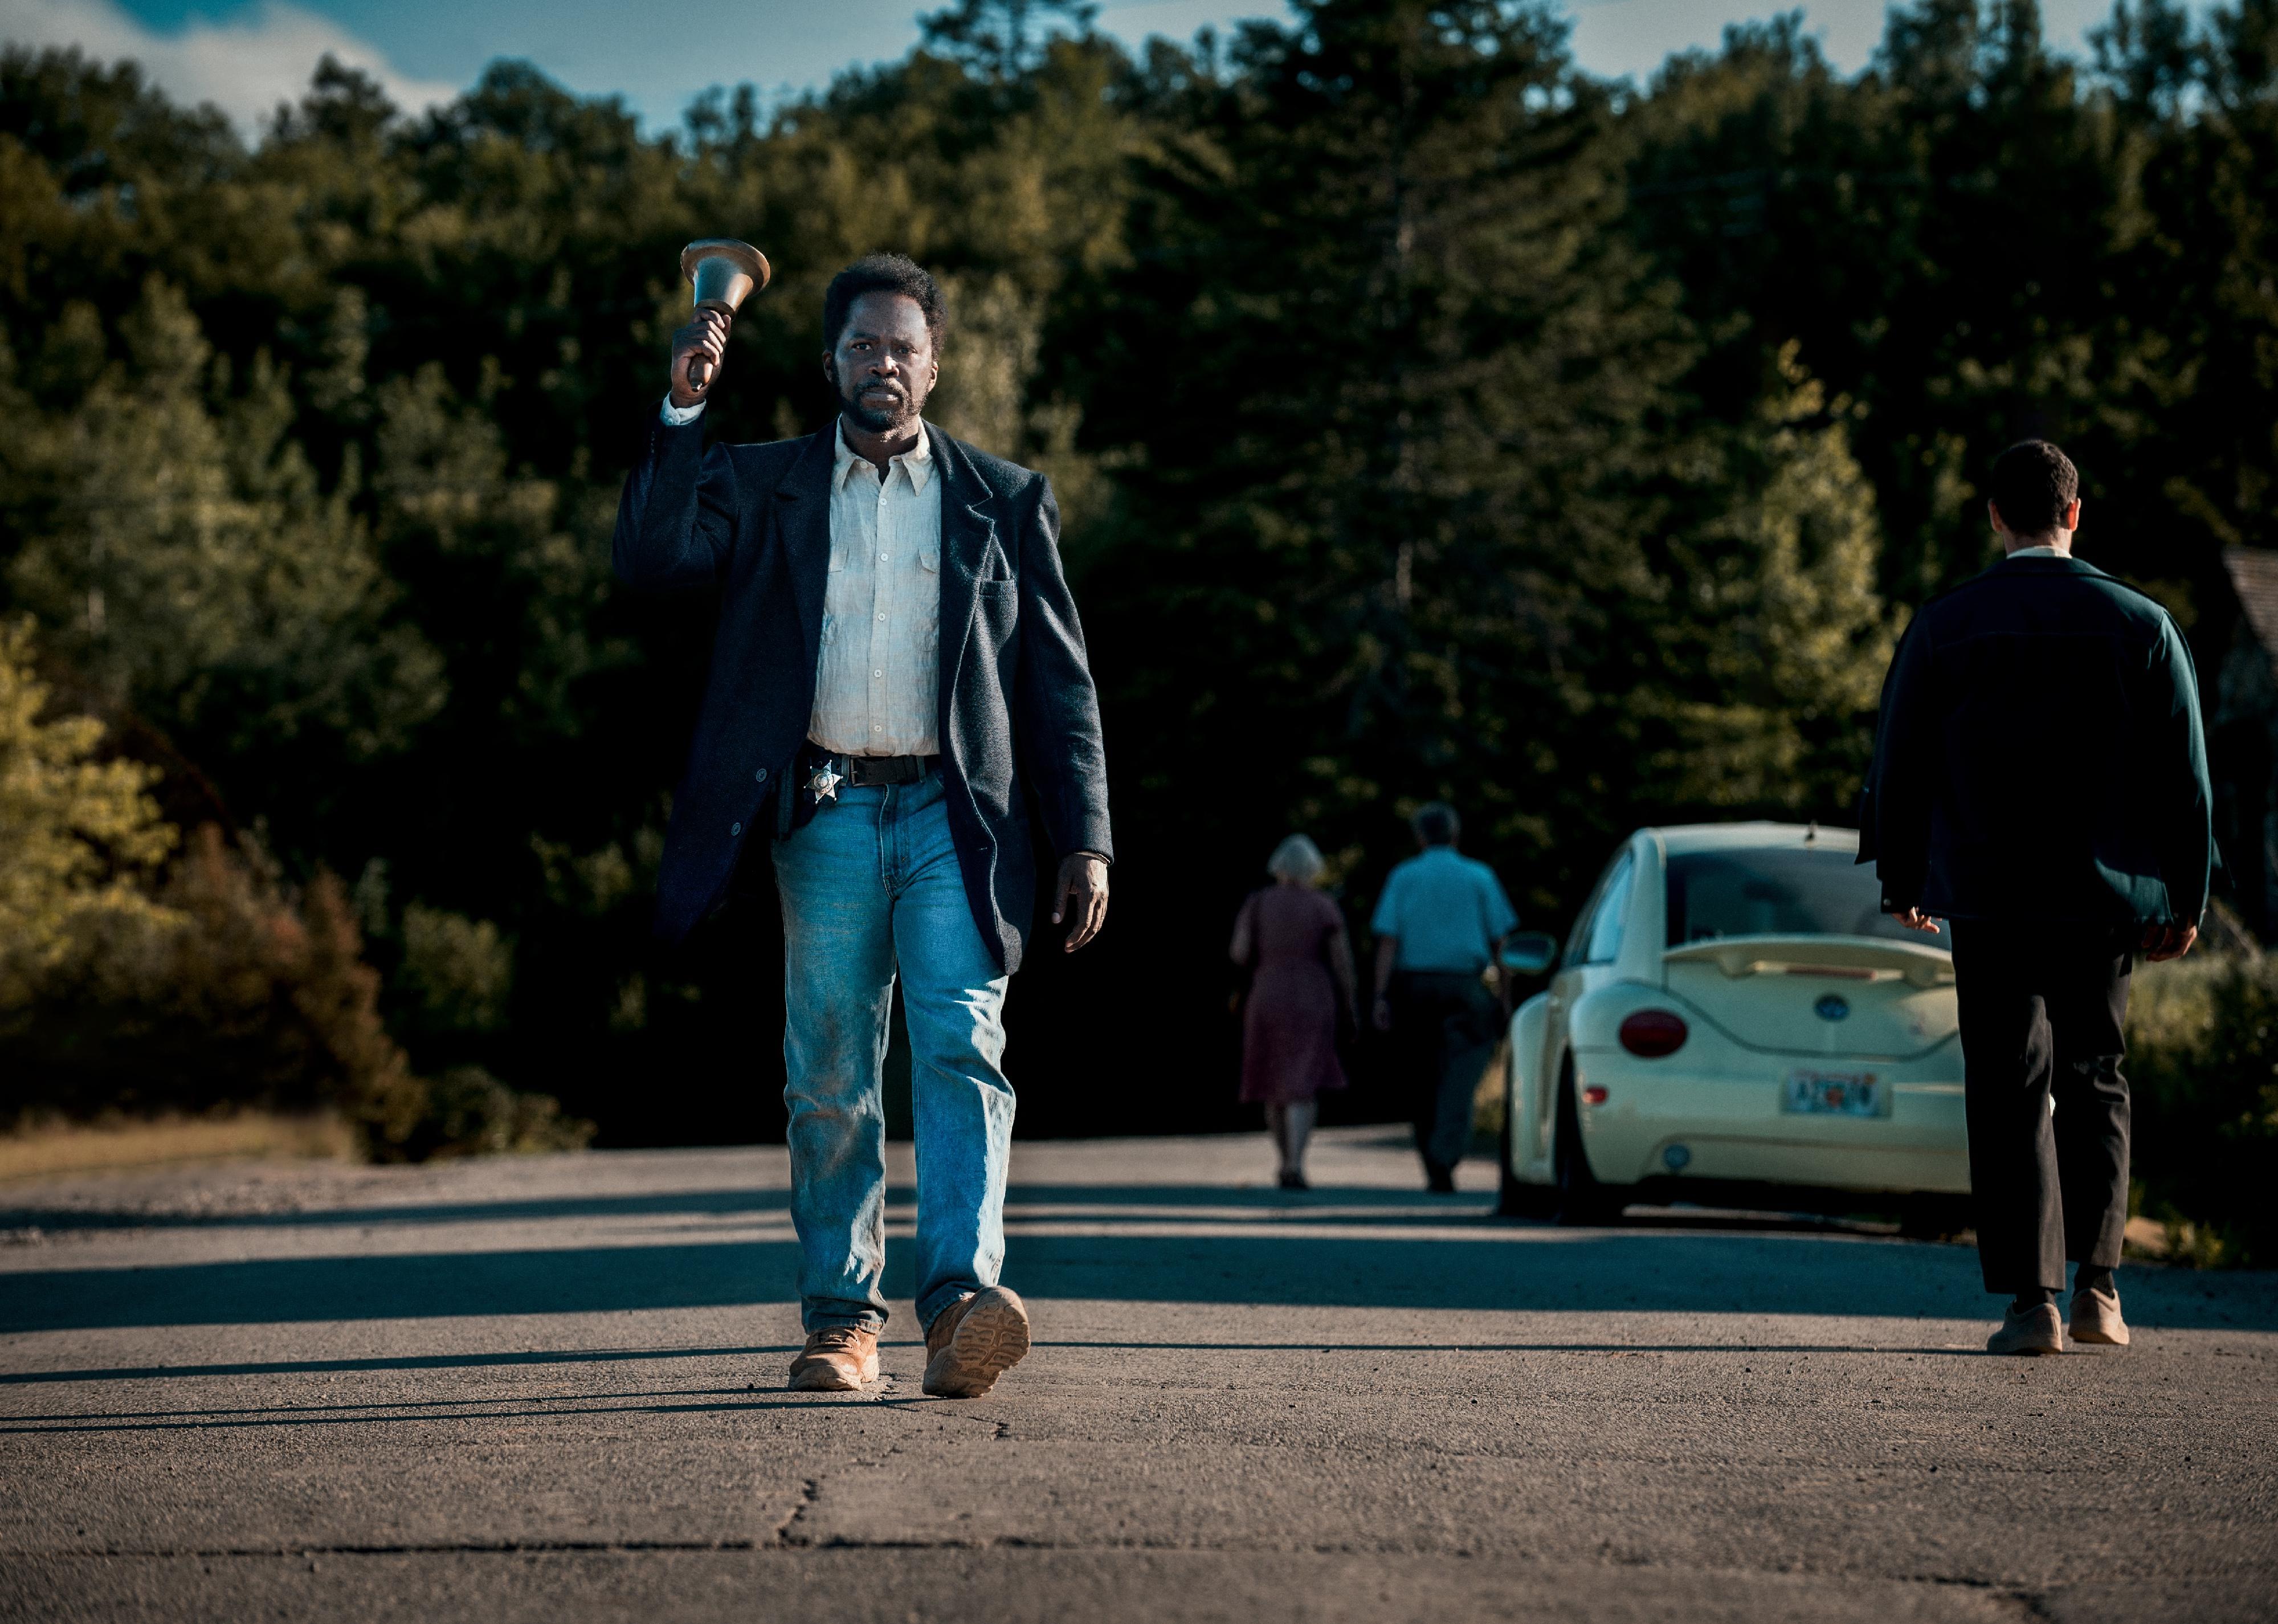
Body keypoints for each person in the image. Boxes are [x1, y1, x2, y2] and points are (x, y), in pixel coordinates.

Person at [613, 252, 1112, 1397]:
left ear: (934, 362)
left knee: (959, 1047)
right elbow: (646, 559)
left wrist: (1086, 836)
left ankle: (954, 1310)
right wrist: (684, 406)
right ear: (830, 361)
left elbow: (1059, 686)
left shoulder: (1004, 498)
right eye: (860, 346)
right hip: (824, 814)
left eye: (902, 345)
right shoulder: (762, 481)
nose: (882, 363)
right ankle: (843, 1322)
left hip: (958, 818)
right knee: (831, 1074)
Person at [1860, 439, 2209, 1357]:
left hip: (1988, 891)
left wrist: (1903, 877)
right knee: (2096, 1074)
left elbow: (1898, 763)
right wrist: (2187, 897)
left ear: (1993, 516)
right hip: (2102, 894)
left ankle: (2031, 1303)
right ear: (2075, 513)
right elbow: (2186, 779)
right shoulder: (2141, 623)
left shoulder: (1944, 625)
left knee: (2009, 1086)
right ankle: (2100, 1289)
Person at [1369, 803, 1518, 1192]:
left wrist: (1380, 996)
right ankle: (1445, 1154)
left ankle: (1433, 1158)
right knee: (1461, 1074)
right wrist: (1505, 997)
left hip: (1414, 988)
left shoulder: (1404, 877)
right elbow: (1501, 943)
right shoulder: (1480, 877)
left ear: (1421, 837)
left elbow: (1388, 940)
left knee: (1421, 1076)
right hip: (1465, 987)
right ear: (1455, 835)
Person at [1231, 835, 1357, 1189]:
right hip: (1312, 996)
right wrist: (1351, 1006)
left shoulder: (1257, 904)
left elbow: (1239, 954)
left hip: (1267, 993)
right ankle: (1296, 1163)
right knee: (1303, 1082)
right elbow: (1342, 963)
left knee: (1272, 1082)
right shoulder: (1323, 906)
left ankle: (1283, 1160)